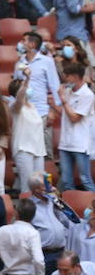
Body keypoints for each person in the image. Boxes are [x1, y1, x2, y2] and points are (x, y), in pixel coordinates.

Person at [56, 59, 95, 191]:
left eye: (67, 76)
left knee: (85, 179)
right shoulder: (68, 92)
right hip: (65, 142)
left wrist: (63, 100)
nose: (65, 79)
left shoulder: (88, 95)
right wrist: (54, 105)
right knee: (66, 180)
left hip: (80, 144)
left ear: (75, 76)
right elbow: (65, 114)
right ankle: (71, 209)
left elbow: (74, 118)